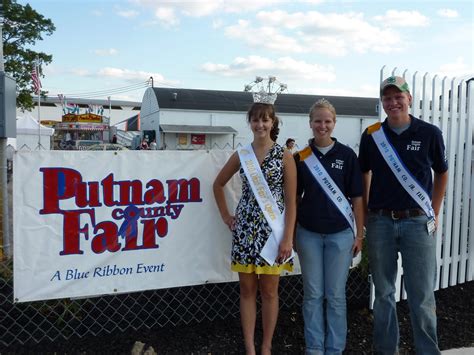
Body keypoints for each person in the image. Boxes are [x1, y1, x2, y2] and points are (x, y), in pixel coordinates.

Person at [358, 76, 448, 354]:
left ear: (409, 98)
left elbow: (442, 172)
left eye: (399, 96)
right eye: (387, 98)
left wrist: (434, 209)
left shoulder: (429, 133)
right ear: (382, 102)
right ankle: (386, 351)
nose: (393, 102)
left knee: (421, 296)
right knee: (383, 294)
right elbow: (364, 174)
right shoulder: (372, 135)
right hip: (381, 222)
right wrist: (365, 218)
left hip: (416, 222)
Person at [213, 101, 297, 355]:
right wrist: (227, 216)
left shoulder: (285, 156)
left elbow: (292, 201)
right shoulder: (242, 154)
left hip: (273, 232)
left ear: (273, 123)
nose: (260, 125)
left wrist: (288, 238)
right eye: (255, 120)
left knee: (270, 292)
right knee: (247, 291)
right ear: (249, 123)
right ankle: (249, 347)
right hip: (246, 230)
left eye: (265, 120)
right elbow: (218, 184)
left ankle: (266, 346)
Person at [294, 98, 364, 354]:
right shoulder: (300, 158)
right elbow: (294, 199)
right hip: (308, 234)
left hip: (341, 236)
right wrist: (292, 234)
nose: (322, 125)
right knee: (312, 295)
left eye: (327, 121)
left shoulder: (347, 155)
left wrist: (359, 234)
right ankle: (314, 349)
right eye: (317, 121)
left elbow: (357, 198)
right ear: (310, 123)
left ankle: (335, 349)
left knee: (335, 297)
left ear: (334, 123)